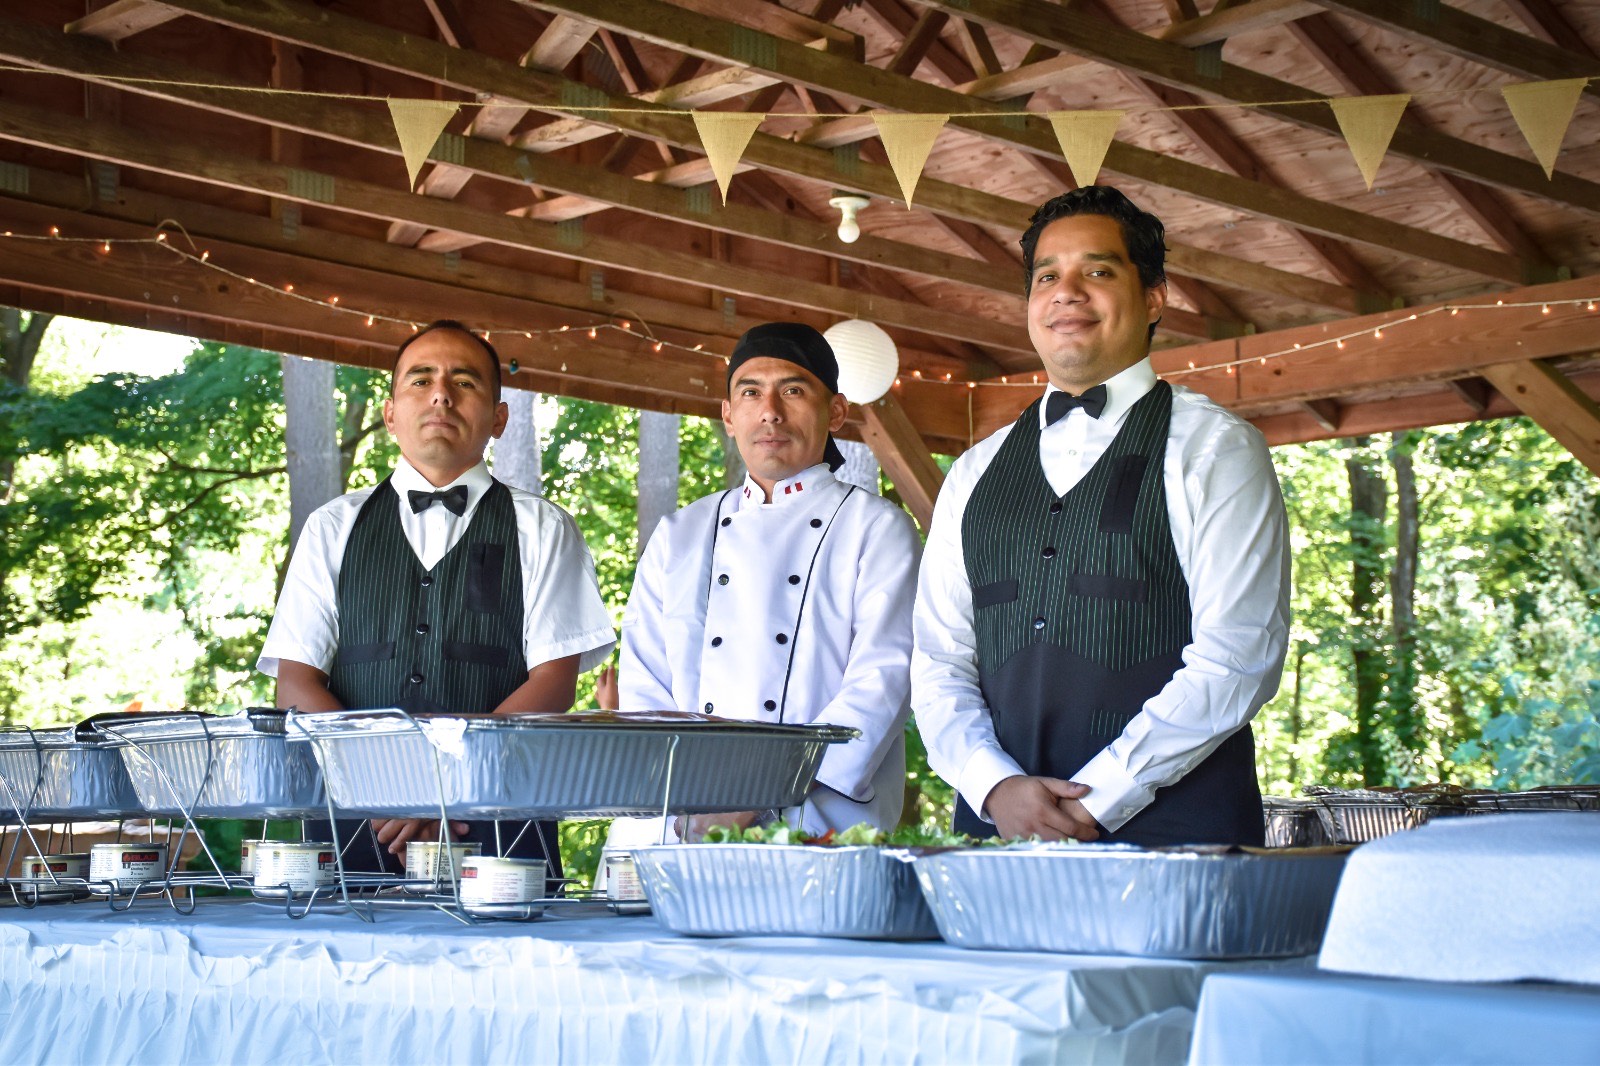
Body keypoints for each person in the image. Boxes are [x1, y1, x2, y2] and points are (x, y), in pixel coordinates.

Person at [912, 186, 1290, 847]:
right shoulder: (973, 472)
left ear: (1153, 298)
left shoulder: (1217, 449)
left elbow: (1239, 656)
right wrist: (994, 786)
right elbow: (940, 658)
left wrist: (1097, 800)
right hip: (995, 842)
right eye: (1047, 276)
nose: (1067, 292)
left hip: (1179, 844)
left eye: (1098, 270)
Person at [258, 320, 615, 875]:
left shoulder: (544, 529)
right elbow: (295, 683)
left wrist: (447, 786)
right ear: (390, 413)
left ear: (498, 418)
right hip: (353, 826)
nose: (441, 394)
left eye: (464, 382)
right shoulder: (332, 527)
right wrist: (388, 788)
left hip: (500, 833)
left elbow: (553, 684)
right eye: (420, 380)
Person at [614, 322, 921, 840]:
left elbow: (881, 683)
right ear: (729, 417)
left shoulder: (877, 528)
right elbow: (645, 688)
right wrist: (686, 800)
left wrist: (752, 800)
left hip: (816, 825)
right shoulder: (679, 534)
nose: (770, 411)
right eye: (750, 392)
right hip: (676, 821)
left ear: (837, 413)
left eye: (794, 390)